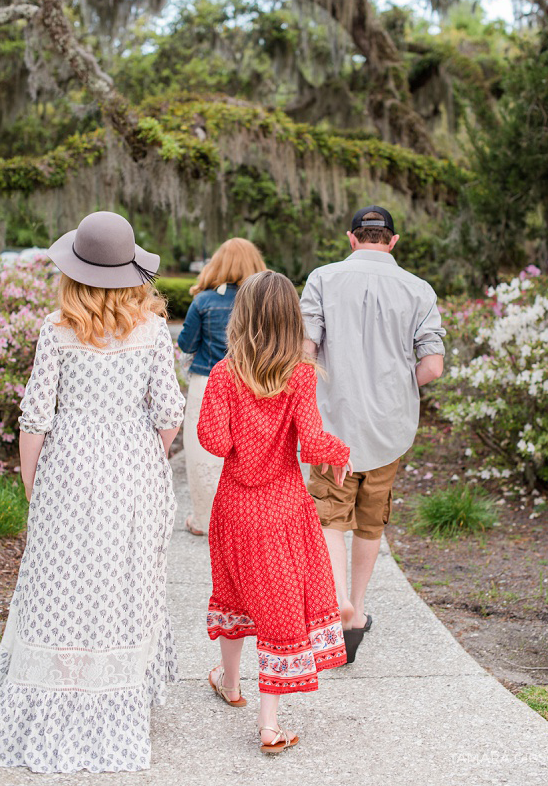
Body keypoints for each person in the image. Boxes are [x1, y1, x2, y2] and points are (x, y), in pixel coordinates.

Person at [0, 211, 185, 774]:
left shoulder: (57, 331)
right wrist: (145, 459)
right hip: (133, 469)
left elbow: (35, 421)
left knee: (61, 584)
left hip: (70, 469)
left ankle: (58, 694)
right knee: (125, 584)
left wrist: (34, 485)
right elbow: (168, 415)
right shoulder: (152, 333)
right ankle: (118, 696)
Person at [197, 270, 350, 754]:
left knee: (234, 594)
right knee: (280, 611)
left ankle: (231, 682)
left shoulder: (224, 374)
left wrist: (240, 427)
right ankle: (268, 725)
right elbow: (312, 444)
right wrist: (339, 452)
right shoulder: (300, 375)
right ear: (290, 321)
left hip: (236, 509)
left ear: (241, 318)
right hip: (283, 510)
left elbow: (214, 441)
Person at [300, 206, 445, 662]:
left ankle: (337, 601)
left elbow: (305, 352)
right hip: (389, 429)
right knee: (369, 520)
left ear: (351, 238)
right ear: (393, 241)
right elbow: (433, 366)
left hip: (332, 424)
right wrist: (395, 391)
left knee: (329, 517)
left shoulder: (322, 279)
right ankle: (358, 609)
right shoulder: (418, 290)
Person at [176, 237, 267, 535]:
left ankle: (205, 520)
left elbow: (186, 343)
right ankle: (244, 521)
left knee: (204, 453)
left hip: (207, 381)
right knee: (247, 453)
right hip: (252, 383)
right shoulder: (261, 301)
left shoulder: (203, 301)